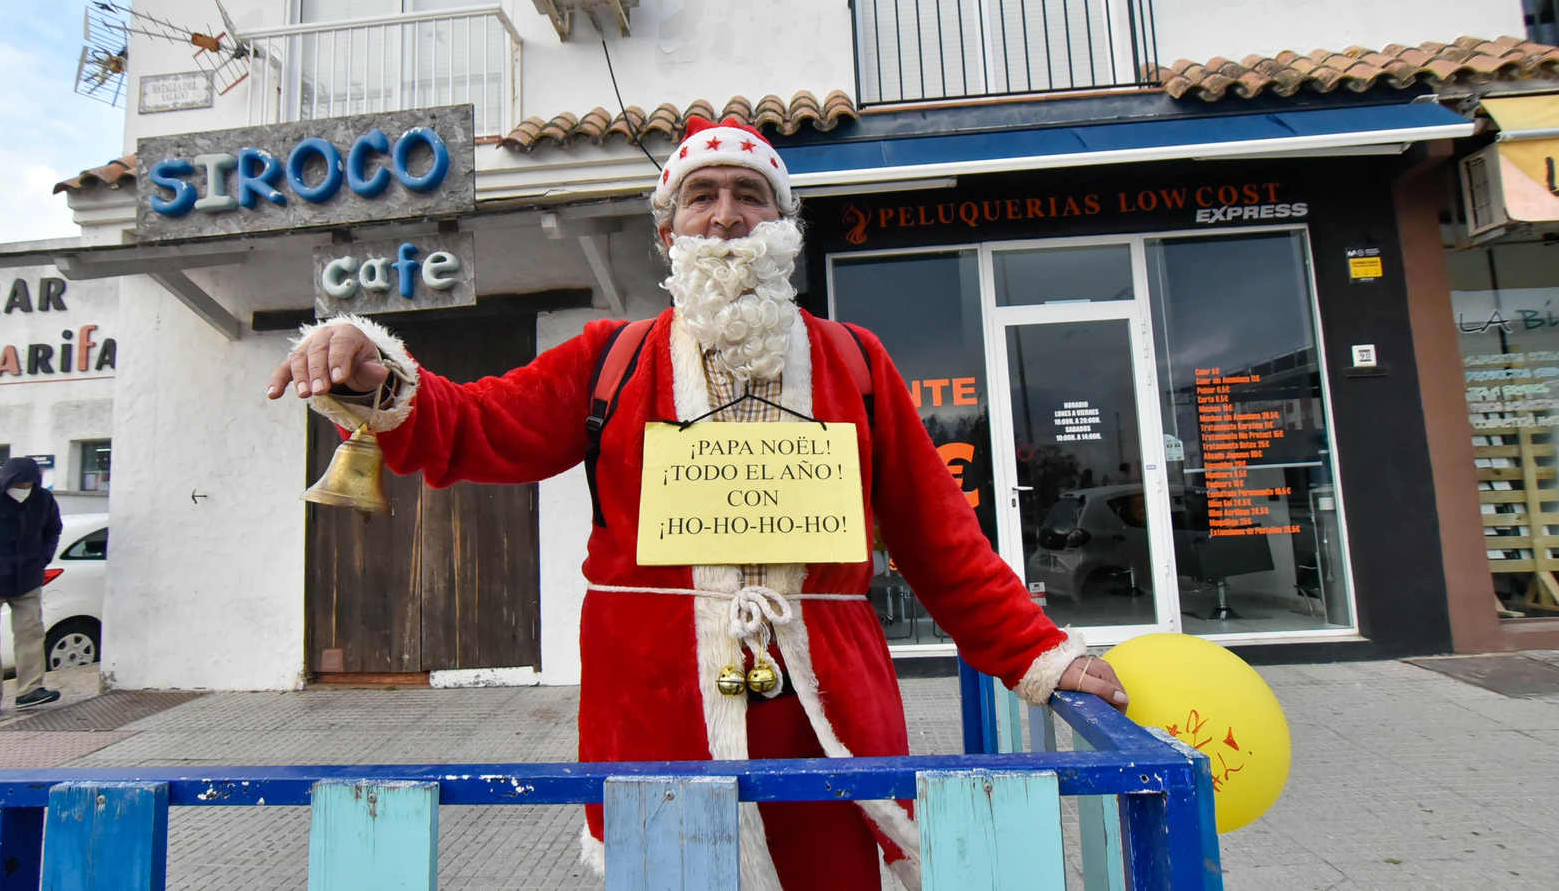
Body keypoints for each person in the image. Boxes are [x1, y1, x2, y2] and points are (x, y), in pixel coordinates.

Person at [270, 116, 1127, 891]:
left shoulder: (856, 361)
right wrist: (375, 370)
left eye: (749, 194)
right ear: (667, 230)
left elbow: (940, 538)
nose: (725, 217)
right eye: (701, 196)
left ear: (784, 222)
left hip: (823, 713)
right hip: (656, 708)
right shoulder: (610, 358)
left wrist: (1040, 655)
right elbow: (477, 424)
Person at [0, 457, 64, 720]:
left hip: (27, 579)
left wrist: (43, 557)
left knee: (31, 633)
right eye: (18, 484)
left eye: (29, 483)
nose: (24, 488)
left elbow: (53, 530)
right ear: (5, 481)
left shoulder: (43, 500)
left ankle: (30, 689)